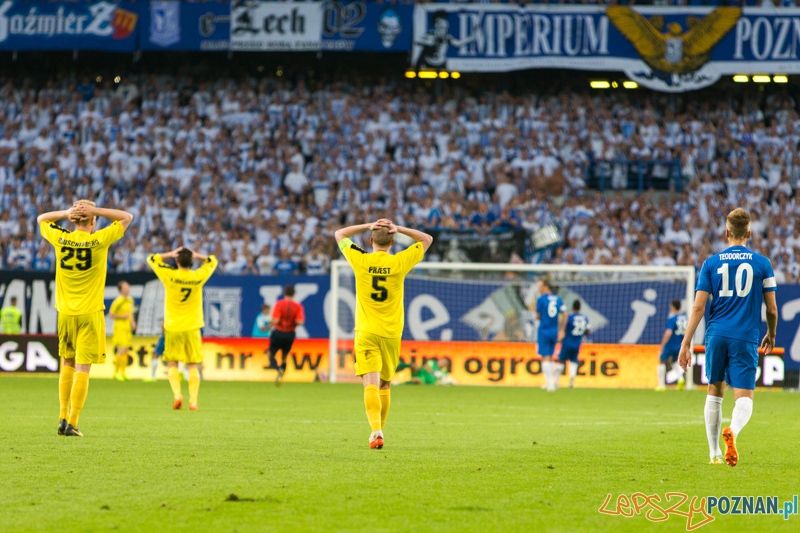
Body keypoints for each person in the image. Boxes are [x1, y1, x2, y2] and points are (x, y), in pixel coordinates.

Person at [679, 208, 778, 467]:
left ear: (726, 233)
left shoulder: (711, 263)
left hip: (716, 334)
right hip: (745, 336)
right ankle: (732, 431)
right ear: (749, 233)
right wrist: (771, 333)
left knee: (714, 391)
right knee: (744, 397)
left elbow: (698, 308)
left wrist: (686, 342)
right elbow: (772, 309)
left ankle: (713, 454)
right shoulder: (762, 263)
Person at [335, 218, 432, 449]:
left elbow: (340, 234)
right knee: (385, 385)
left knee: (370, 382)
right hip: (391, 333)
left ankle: (375, 430)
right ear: (393, 241)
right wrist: (400, 229)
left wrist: (367, 224)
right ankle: (379, 431)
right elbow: (426, 239)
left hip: (366, 331)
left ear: (370, 240)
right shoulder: (400, 261)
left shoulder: (361, 259)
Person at [38, 200, 133, 437]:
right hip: (90, 313)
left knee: (67, 363)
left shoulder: (60, 238)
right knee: (83, 368)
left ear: (73, 219)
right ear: (92, 220)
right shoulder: (99, 240)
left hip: (65, 313)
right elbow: (126, 217)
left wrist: (64, 213)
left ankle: (61, 417)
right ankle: (73, 422)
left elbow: (41, 219)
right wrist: (97, 210)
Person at [147, 247, 218, 411]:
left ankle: (177, 395)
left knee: (173, 363)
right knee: (193, 364)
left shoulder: (170, 275)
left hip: (172, 326)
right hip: (193, 326)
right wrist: (198, 255)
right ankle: (193, 400)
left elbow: (151, 259)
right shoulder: (198, 276)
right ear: (192, 262)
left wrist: (169, 254)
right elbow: (213, 260)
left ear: (176, 261)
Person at [534, 278, 566, 392]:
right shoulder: (558, 299)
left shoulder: (541, 300)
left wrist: (540, 316)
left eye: (540, 286)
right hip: (554, 331)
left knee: (545, 357)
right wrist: (562, 330)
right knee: (551, 357)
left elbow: (537, 316)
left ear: (545, 286)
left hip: (544, 330)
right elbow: (565, 314)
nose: (538, 288)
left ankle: (550, 383)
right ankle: (552, 382)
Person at [269, 286, 305, 386]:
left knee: (271, 354)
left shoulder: (279, 304)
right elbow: (300, 322)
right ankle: (280, 376)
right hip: (290, 334)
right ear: (294, 294)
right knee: (284, 357)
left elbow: (275, 320)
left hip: (278, 333)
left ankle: (278, 369)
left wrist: (270, 322)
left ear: (284, 293)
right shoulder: (298, 306)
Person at [557, 300, 591, 389]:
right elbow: (588, 331)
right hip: (577, 343)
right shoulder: (585, 318)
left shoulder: (569, 317)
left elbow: (563, 328)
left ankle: (557, 381)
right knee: (573, 361)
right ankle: (571, 382)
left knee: (561, 360)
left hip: (567, 342)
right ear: (580, 308)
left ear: (572, 307)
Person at [656, 299, 688, 391]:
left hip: (671, 344)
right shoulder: (685, 318)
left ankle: (661, 385)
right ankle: (681, 379)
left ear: (673, 307)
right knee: (675, 361)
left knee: (661, 360)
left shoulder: (672, 319)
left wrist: (662, 344)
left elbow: (668, 332)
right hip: (680, 344)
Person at [107, 281, 136, 381]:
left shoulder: (130, 300)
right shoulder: (118, 301)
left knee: (126, 350)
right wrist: (122, 316)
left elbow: (130, 313)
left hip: (127, 328)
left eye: (128, 286)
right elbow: (111, 314)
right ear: (121, 289)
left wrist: (132, 322)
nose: (128, 288)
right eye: (126, 286)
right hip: (119, 328)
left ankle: (123, 372)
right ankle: (115, 372)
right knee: (121, 350)